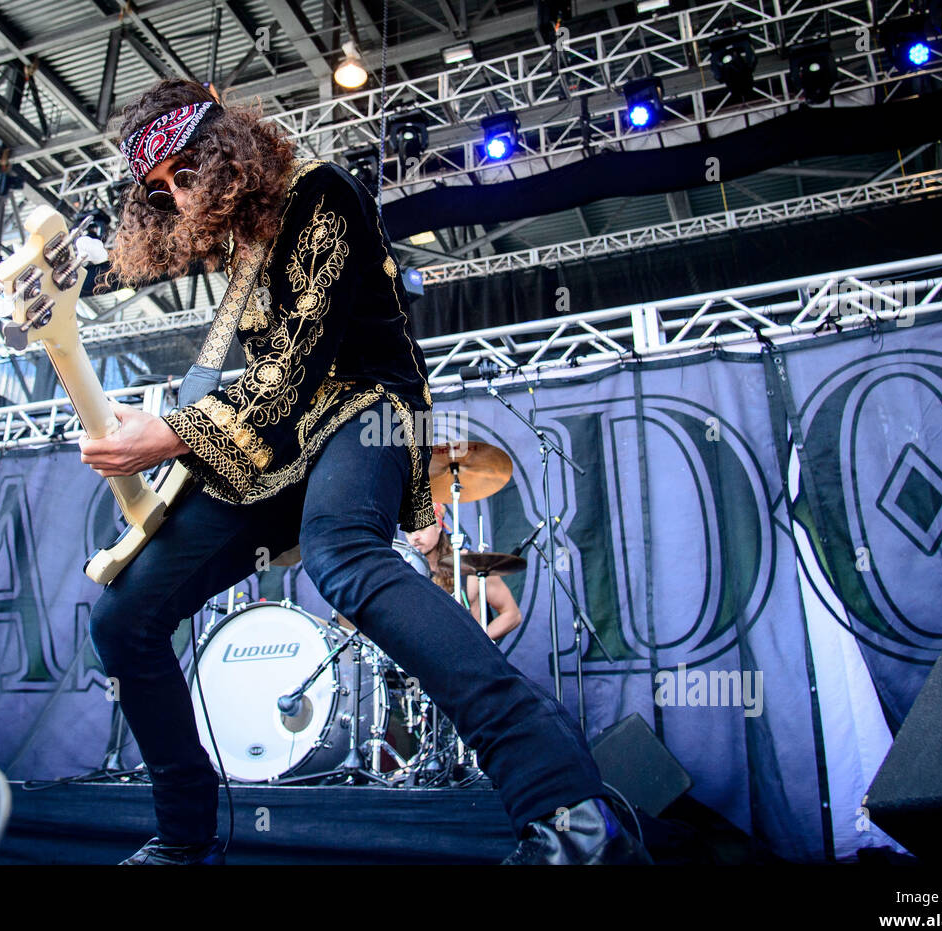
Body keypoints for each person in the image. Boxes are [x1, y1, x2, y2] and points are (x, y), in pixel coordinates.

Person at [81, 77, 651, 865]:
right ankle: (185, 839)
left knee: (341, 554)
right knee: (120, 619)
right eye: (161, 188)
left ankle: (572, 810)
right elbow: (252, 393)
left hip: (362, 406)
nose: (179, 194)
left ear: (224, 148)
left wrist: (169, 434)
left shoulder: (321, 193)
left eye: (186, 170)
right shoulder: (240, 253)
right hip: (270, 448)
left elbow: (297, 367)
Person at [405, 503, 522, 642]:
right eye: (409, 531)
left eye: (422, 528)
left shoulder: (473, 566)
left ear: (438, 527)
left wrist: (478, 642)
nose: (415, 537)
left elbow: (512, 615)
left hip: (471, 658)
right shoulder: (408, 572)